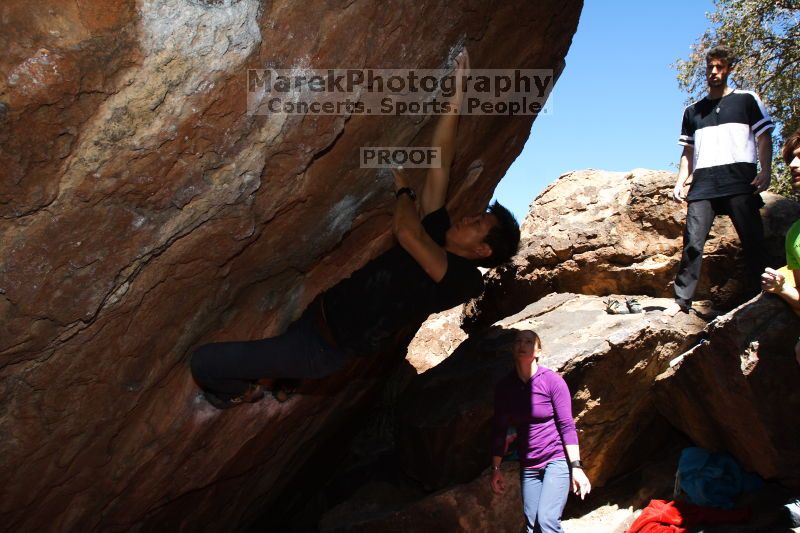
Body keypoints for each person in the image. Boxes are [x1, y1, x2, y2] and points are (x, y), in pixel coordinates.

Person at [190, 49, 521, 408]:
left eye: (478, 224)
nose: (469, 218)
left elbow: (408, 236)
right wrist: (457, 93)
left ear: (482, 251)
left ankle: (236, 393)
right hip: (319, 315)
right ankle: (284, 379)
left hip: (320, 348)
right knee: (279, 354)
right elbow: (440, 160)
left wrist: (404, 191)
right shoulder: (439, 233)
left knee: (206, 362)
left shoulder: (464, 279)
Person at [665, 44, 774, 317]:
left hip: (739, 180)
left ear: (729, 69)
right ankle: (681, 301)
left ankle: (766, 294)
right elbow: (688, 151)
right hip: (703, 184)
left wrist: (766, 170)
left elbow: (764, 137)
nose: (714, 72)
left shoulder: (747, 100)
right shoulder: (693, 111)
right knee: (692, 241)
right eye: (710, 67)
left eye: (719, 67)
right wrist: (681, 181)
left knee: (752, 240)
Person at [490, 330, 591, 533]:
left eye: (529, 341)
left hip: (556, 460)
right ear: (512, 348)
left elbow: (566, 425)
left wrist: (577, 467)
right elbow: (500, 429)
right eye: (518, 341)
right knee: (532, 526)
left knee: (547, 520)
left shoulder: (552, 381)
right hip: (529, 465)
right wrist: (496, 469)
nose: (522, 345)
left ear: (538, 350)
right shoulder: (505, 387)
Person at [760, 129, 800, 364]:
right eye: (791, 159)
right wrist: (781, 288)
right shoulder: (795, 234)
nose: (793, 164)